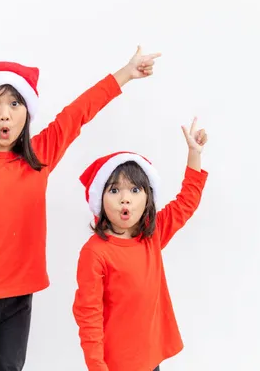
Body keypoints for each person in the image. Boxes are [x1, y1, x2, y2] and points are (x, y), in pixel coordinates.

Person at [0, 46, 161, 371]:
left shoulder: (41, 156)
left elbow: (79, 112)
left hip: (19, 298)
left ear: (26, 112)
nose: (4, 114)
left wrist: (127, 72)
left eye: (14, 103)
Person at [73, 117, 209, 371]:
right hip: (114, 364)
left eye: (135, 190)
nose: (125, 199)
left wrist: (194, 154)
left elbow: (186, 202)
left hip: (150, 360)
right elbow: (88, 314)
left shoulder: (152, 235)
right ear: (100, 200)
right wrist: (96, 365)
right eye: (114, 191)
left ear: (147, 198)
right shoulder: (95, 253)